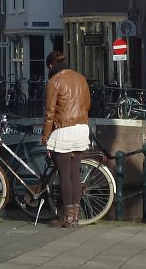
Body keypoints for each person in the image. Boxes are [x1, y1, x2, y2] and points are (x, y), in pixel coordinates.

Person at [41, 50, 91, 228]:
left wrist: (45, 136)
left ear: (50, 66)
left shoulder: (54, 82)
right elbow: (87, 104)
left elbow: (50, 112)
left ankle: (67, 218)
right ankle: (75, 217)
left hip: (64, 129)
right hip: (82, 128)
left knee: (64, 174)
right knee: (74, 173)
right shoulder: (81, 78)